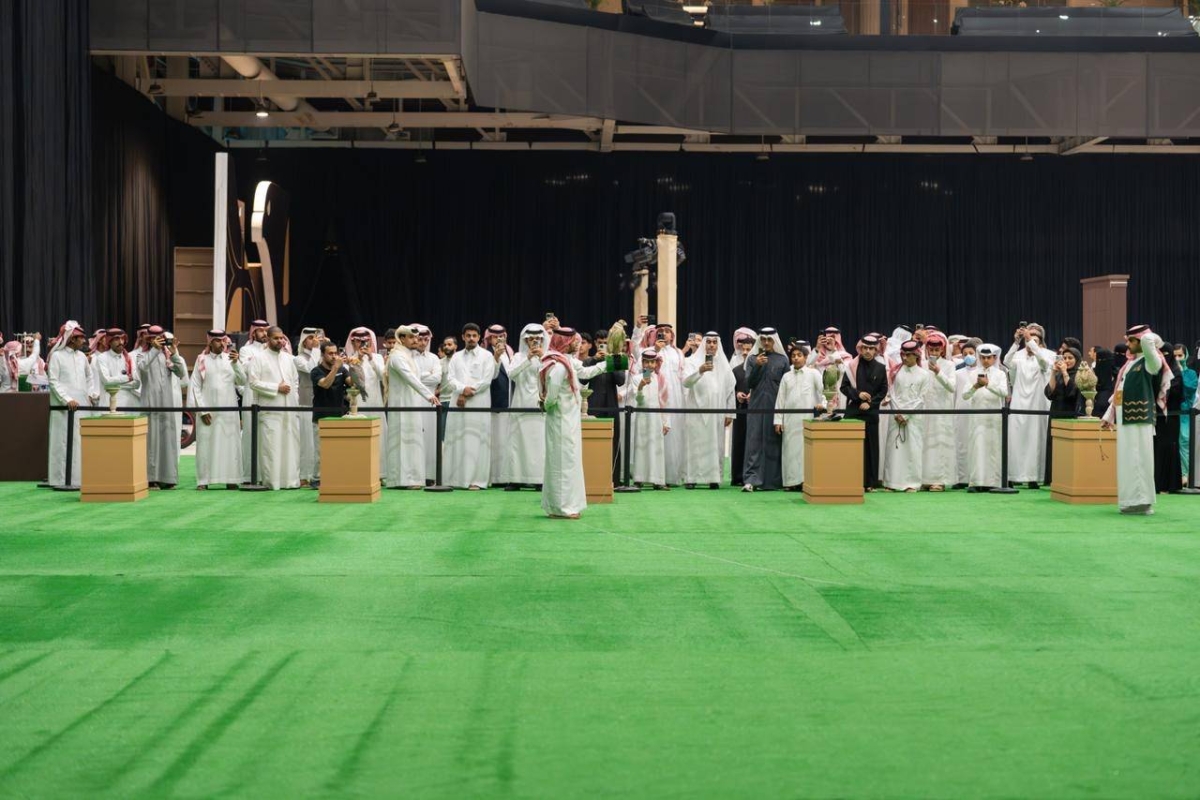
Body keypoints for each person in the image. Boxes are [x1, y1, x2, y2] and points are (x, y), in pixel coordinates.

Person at [1102, 325, 1165, 514]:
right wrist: (1109, 416)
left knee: (1140, 459)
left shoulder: (1151, 361)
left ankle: (1143, 503)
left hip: (1140, 418)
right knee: (1127, 460)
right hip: (1125, 418)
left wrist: (1145, 335)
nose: (1127, 344)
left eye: (1131, 340)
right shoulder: (1129, 364)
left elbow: (1151, 341)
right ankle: (1129, 502)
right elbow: (1119, 392)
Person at [540, 327, 589, 519]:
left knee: (568, 461)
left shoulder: (566, 362)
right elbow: (551, 397)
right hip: (560, 421)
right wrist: (545, 405)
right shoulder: (559, 366)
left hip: (569, 420)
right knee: (562, 463)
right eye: (574, 341)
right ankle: (561, 508)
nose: (577, 344)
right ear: (565, 343)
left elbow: (587, 371)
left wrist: (612, 363)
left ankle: (562, 506)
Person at [444, 323, 499, 490]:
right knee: (458, 438)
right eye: (468, 335)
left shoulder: (487, 356)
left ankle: (477, 480)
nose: (471, 338)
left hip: (478, 401)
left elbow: (486, 380)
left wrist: (466, 392)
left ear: (479, 337)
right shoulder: (456, 357)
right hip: (458, 402)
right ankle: (456, 479)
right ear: (463, 337)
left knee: (477, 439)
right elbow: (450, 379)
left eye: (474, 336)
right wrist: (462, 390)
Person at [386, 325, 441, 489]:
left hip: (412, 402)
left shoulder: (407, 355)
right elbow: (411, 378)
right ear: (402, 339)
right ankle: (401, 479)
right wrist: (429, 395)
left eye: (416, 337)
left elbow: (418, 377)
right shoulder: (397, 357)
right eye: (411, 337)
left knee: (412, 440)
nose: (416, 340)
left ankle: (412, 478)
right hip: (401, 404)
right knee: (402, 440)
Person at [247, 326, 301, 490]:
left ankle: (290, 481)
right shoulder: (259, 358)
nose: (280, 341)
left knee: (290, 445)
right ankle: (272, 482)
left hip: (289, 409)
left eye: (282, 338)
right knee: (271, 447)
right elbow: (253, 383)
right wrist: (276, 388)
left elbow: (295, 382)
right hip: (270, 410)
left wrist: (293, 398)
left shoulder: (289, 359)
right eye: (276, 338)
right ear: (268, 339)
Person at [190, 330, 244, 490]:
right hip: (208, 411)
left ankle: (231, 479)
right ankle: (203, 481)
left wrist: (236, 363)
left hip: (229, 410)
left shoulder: (231, 359)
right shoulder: (202, 360)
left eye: (224, 340)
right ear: (210, 342)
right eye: (218, 341)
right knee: (206, 444)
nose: (222, 344)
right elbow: (195, 386)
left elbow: (243, 381)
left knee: (230, 443)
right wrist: (202, 411)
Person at [1004, 323, 1056, 489]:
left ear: (1040, 342)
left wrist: (1031, 342)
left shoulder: (1047, 355)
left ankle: (1034, 477)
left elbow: (1045, 365)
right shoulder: (1018, 356)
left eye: (1034, 339)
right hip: (1019, 402)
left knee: (1035, 439)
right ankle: (1013, 476)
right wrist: (1016, 342)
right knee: (1016, 438)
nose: (1030, 341)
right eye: (1028, 338)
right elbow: (1006, 362)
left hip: (1038, 403)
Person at [46, 321, 97, 487]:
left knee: (80, 441)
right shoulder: (57, 356)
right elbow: (53, 381)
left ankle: (79, 479)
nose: (84, 341)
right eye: (81, 338)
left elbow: (89, 377)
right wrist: (67, 399)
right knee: (63, 440)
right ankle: (60, 479)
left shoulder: (82, 357)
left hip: (82, 405)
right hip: (64, 406)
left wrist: (91, 394)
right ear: (72, 339)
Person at [682, 332, 735, 490]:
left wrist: (730, 412)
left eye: (714, 342)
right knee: (695, 444)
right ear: (704, 343)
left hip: (717, 412)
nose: (711, 345)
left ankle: (713, 478)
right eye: (709, 342)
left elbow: (730, 389)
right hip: (695, 410)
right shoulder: (692, 361)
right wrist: (700, 371)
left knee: (715, 444)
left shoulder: (724, 364)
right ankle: (692, 478)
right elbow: (685, 383)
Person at [138, 325, 187, 489]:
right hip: (150, 404)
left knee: (167, 440)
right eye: (155, 338)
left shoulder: (167, 355)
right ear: (149, 339)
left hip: (166, 404)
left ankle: (168, 477)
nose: (159, 340)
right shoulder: (142, 355)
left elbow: (181, 373)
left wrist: (174, 353)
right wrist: (154, 350)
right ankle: (151, 478)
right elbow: (142, 368)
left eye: (161, 337)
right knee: (151, 442)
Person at [742, 328, 788, 492]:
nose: (766, 343)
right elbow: (749, 383)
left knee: (773, 442)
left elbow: (786, 386)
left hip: (775, 407)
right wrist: (757, 366)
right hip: (756, 407)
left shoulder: (782, 360)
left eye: (769, 340)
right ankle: (751, 479)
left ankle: (772, 481)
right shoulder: (752, 359)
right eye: (763, 340)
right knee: (754, 442)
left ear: (774, 341)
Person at [840, 334, 888, 491]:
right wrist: (858, 395)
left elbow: (883, 390)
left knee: (871, 449)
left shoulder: (881, 368)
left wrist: (870, 403)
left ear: (876, 350)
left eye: (871, 348)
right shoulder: (851, 366)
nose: (868, 351)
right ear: (860, 349)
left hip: (871, 413)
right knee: (851, 448)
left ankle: (870, 483)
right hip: (853, 412)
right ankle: (850, 480)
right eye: (865, 348)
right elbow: (844, 387)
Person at [774, 343, 823, 491]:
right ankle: (790, 483)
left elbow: (823, 392)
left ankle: (804, 482)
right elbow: (780, 399)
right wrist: (778, 420)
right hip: (789, 421)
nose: (796, 358)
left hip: (808, 419)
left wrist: (822, 404)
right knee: (789, 451)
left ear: (806, 357)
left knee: (805, 452)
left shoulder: (813, 374)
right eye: (793, 356)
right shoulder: (786, 376)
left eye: (799, 355)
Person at [883, 340, 930, 492]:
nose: (905, 358)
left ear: (916, 355)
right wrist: (897, 412)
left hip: (914, 417)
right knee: (894, 449)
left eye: (909, 355)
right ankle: (891, 483)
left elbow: (922, 398)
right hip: (895, 416)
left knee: (913, 449)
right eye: (903, 354)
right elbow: (891, 394)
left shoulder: (924, 374)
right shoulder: (895, 372)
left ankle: (912, 483)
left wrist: (906, 415)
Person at [505, 324, 548, 491]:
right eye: (531, 339)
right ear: (525, 340)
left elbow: (552, 374)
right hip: (520, 403)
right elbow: (511, 374)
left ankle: (539, 479)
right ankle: (516, 479)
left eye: (537, 339)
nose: (534, 342)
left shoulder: (547, 356)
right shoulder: (518, 356)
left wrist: (542, 357)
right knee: (518, 443)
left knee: (539, 443)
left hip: (540, 405)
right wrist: (528, 358)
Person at [963, 344, 1009, 492]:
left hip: (994, 418)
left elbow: (1004, 392)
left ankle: (994, 482)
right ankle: (976, 482)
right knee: (977, 448)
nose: (986, 360)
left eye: (989, 358)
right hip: (977, 418)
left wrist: (988, 384)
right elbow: (964, 395)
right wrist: (975, 386)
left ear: (994, 358)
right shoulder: (972, 374)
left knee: (994, 448)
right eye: (983, 357)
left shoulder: (1000, 374)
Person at [310, 340, 354, 490]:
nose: (334, 356)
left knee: (339, 450)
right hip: (321, 416)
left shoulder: (342, 369)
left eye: (336, 353)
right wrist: (335, 368)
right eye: (330, 353)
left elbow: (352, 383)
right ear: (323, 354)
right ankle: (317, 479)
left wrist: (355, 366)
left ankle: (336, 477)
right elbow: (325, 384)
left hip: (340, 416)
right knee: (321, 451)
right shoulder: (316, 371)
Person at [624, 349, 670, 489]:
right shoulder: (636, 378)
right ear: (642, 363)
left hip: (656, 418)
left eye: (652, 362)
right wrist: (640, 387)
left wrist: (666, 422)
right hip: (642, 418)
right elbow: (639, 401)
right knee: (641, 447)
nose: (650, 365)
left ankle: (658, 481)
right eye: (647, 362)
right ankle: (639, 479)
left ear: (656, 363)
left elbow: (665, 402)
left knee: (656, 448)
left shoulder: (661, 379)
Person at [346, 327, 388, 477]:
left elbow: (383, 377)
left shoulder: (377, 357)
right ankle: (359, 472)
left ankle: (381, 473)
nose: (362, 344)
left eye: (365, 341)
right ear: (353, 342)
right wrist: (355, 361)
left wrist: (370, 358)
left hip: (375, 402)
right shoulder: (348, 358)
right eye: (358, 341)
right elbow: (351, 382)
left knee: (379, 436)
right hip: (358, 403)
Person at [921, 332, 957, 492]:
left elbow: (952, 387)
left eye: (937, 349)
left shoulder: (949, 365)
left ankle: (939, 480)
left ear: (942, 350)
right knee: (924, 443)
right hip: (924, 409)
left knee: (940, 443)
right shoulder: (921, 364)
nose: (934, 352)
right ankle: (924, 479)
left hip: (942, 410)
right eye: (931, 349)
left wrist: (938, 372)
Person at [1043, 347, 1082, 486]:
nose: (1066, 360)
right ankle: (1052, 478)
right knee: (1053, 444)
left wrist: (1065, 372)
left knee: (1067, 446)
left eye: (1070, 358)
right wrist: (1053, 372)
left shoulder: (1080, 374)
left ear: (1077, 359)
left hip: (1070, 411)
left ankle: (1067, 478)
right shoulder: (1058, 375)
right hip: (1056, 410)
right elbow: (1049, 393)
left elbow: (1072, 392)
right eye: (1064, 358)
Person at [238, 319, 271, 483]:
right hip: (251, 394)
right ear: (253, 332)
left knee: (266, 436)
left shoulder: (272, 350)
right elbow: (245, 369)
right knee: (250, 435)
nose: (264, 333)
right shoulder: (246, 350)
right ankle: (248, 475)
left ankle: (266, 475)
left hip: (268, 394)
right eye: (261, 330)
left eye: (266, 330)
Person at [412, 325, 443, 484]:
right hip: (413, 401)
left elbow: (437, 378)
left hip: (430, 402)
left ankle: (430, 475)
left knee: (430, 438)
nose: (423, 342)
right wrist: (425, 375)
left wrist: (419, 377)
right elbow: (410, 378)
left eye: (426, 339)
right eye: (420, 339)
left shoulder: (434, 358)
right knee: (415, 437)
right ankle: (414, 475)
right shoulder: (408, 357)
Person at [294, 327, 324, 487]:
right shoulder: (298, 358)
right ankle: (305, 475)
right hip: (305, 403)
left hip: (321, 403)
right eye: (311, 338)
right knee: (307, 442)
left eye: (316, 337)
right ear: (304, 341)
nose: (314, 340)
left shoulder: (321, 355)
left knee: (319, 442)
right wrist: (317, 350)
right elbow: (312, 369)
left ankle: (319, 475)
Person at [484, 324, 514, 487]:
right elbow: (491, 376)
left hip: (509, 403)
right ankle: (495, 477)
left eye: (501, 336)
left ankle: (505, 475)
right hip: (495, 402)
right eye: (495, 337)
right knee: (495, 440)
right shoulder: (486, 353)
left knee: (506, 441)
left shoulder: (509, 352)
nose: (498, 339)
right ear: (489, 338)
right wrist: (496, 357)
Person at [1153, 343, 1183, 494]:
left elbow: (1176, 392)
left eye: (1166, 354)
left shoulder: (1176, 372)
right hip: (1157, 417)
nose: (1164, 357)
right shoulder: (1155, 371)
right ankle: (1157, 484)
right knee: (1157, 449)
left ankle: (1170, 484)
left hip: (1171, 416)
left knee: (1169, 448)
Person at [728, 329, 756, 487]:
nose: (745, 353)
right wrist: (737, 394)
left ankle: (752, 476)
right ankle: (738, 476)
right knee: (739, 442)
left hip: (756, 411)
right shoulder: (736, 370)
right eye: (743, 350)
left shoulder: (760, 369)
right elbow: (730, 390)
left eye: (748, 350)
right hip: (740, 410)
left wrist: (754, 395)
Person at [95, 329, 140, 411]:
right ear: (109, 341)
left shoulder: (129, 358)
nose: (120, 342)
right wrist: (127, 378)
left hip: (129, 403)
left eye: (122, 339)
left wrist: (115, 385)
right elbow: (107, 381)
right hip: (109, 403)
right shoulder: (102, 357)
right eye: (117, 339)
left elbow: (137, 383)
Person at [1175, 343, 1197, 484]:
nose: (1177, 359)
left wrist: (1181, 373)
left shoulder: (1191, 373)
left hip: (1186, 414)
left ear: (1186, 355)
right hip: (1172, 413)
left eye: (1180, 355)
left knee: (1184, 441)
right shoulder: (1168, 372)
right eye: (1175, 356)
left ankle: (1186, 475)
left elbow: (1190, 389)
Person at [1091, 346, 1116, 420]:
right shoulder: (1092, 376)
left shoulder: (1117, 381)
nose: (1101, 363)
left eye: (1104, 360)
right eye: (1099, 360)